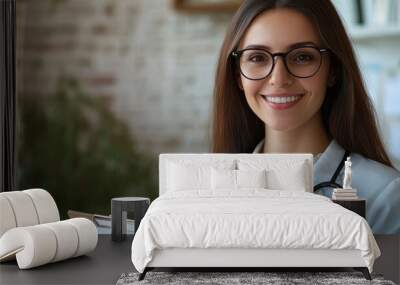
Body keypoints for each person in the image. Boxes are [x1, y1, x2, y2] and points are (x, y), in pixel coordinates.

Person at [211, 0, 400, 234]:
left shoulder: (384, 195)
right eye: (258, 57)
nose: (279, 79)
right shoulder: (213, 188)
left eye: (302, 57)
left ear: (332, 70)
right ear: (238, 76)